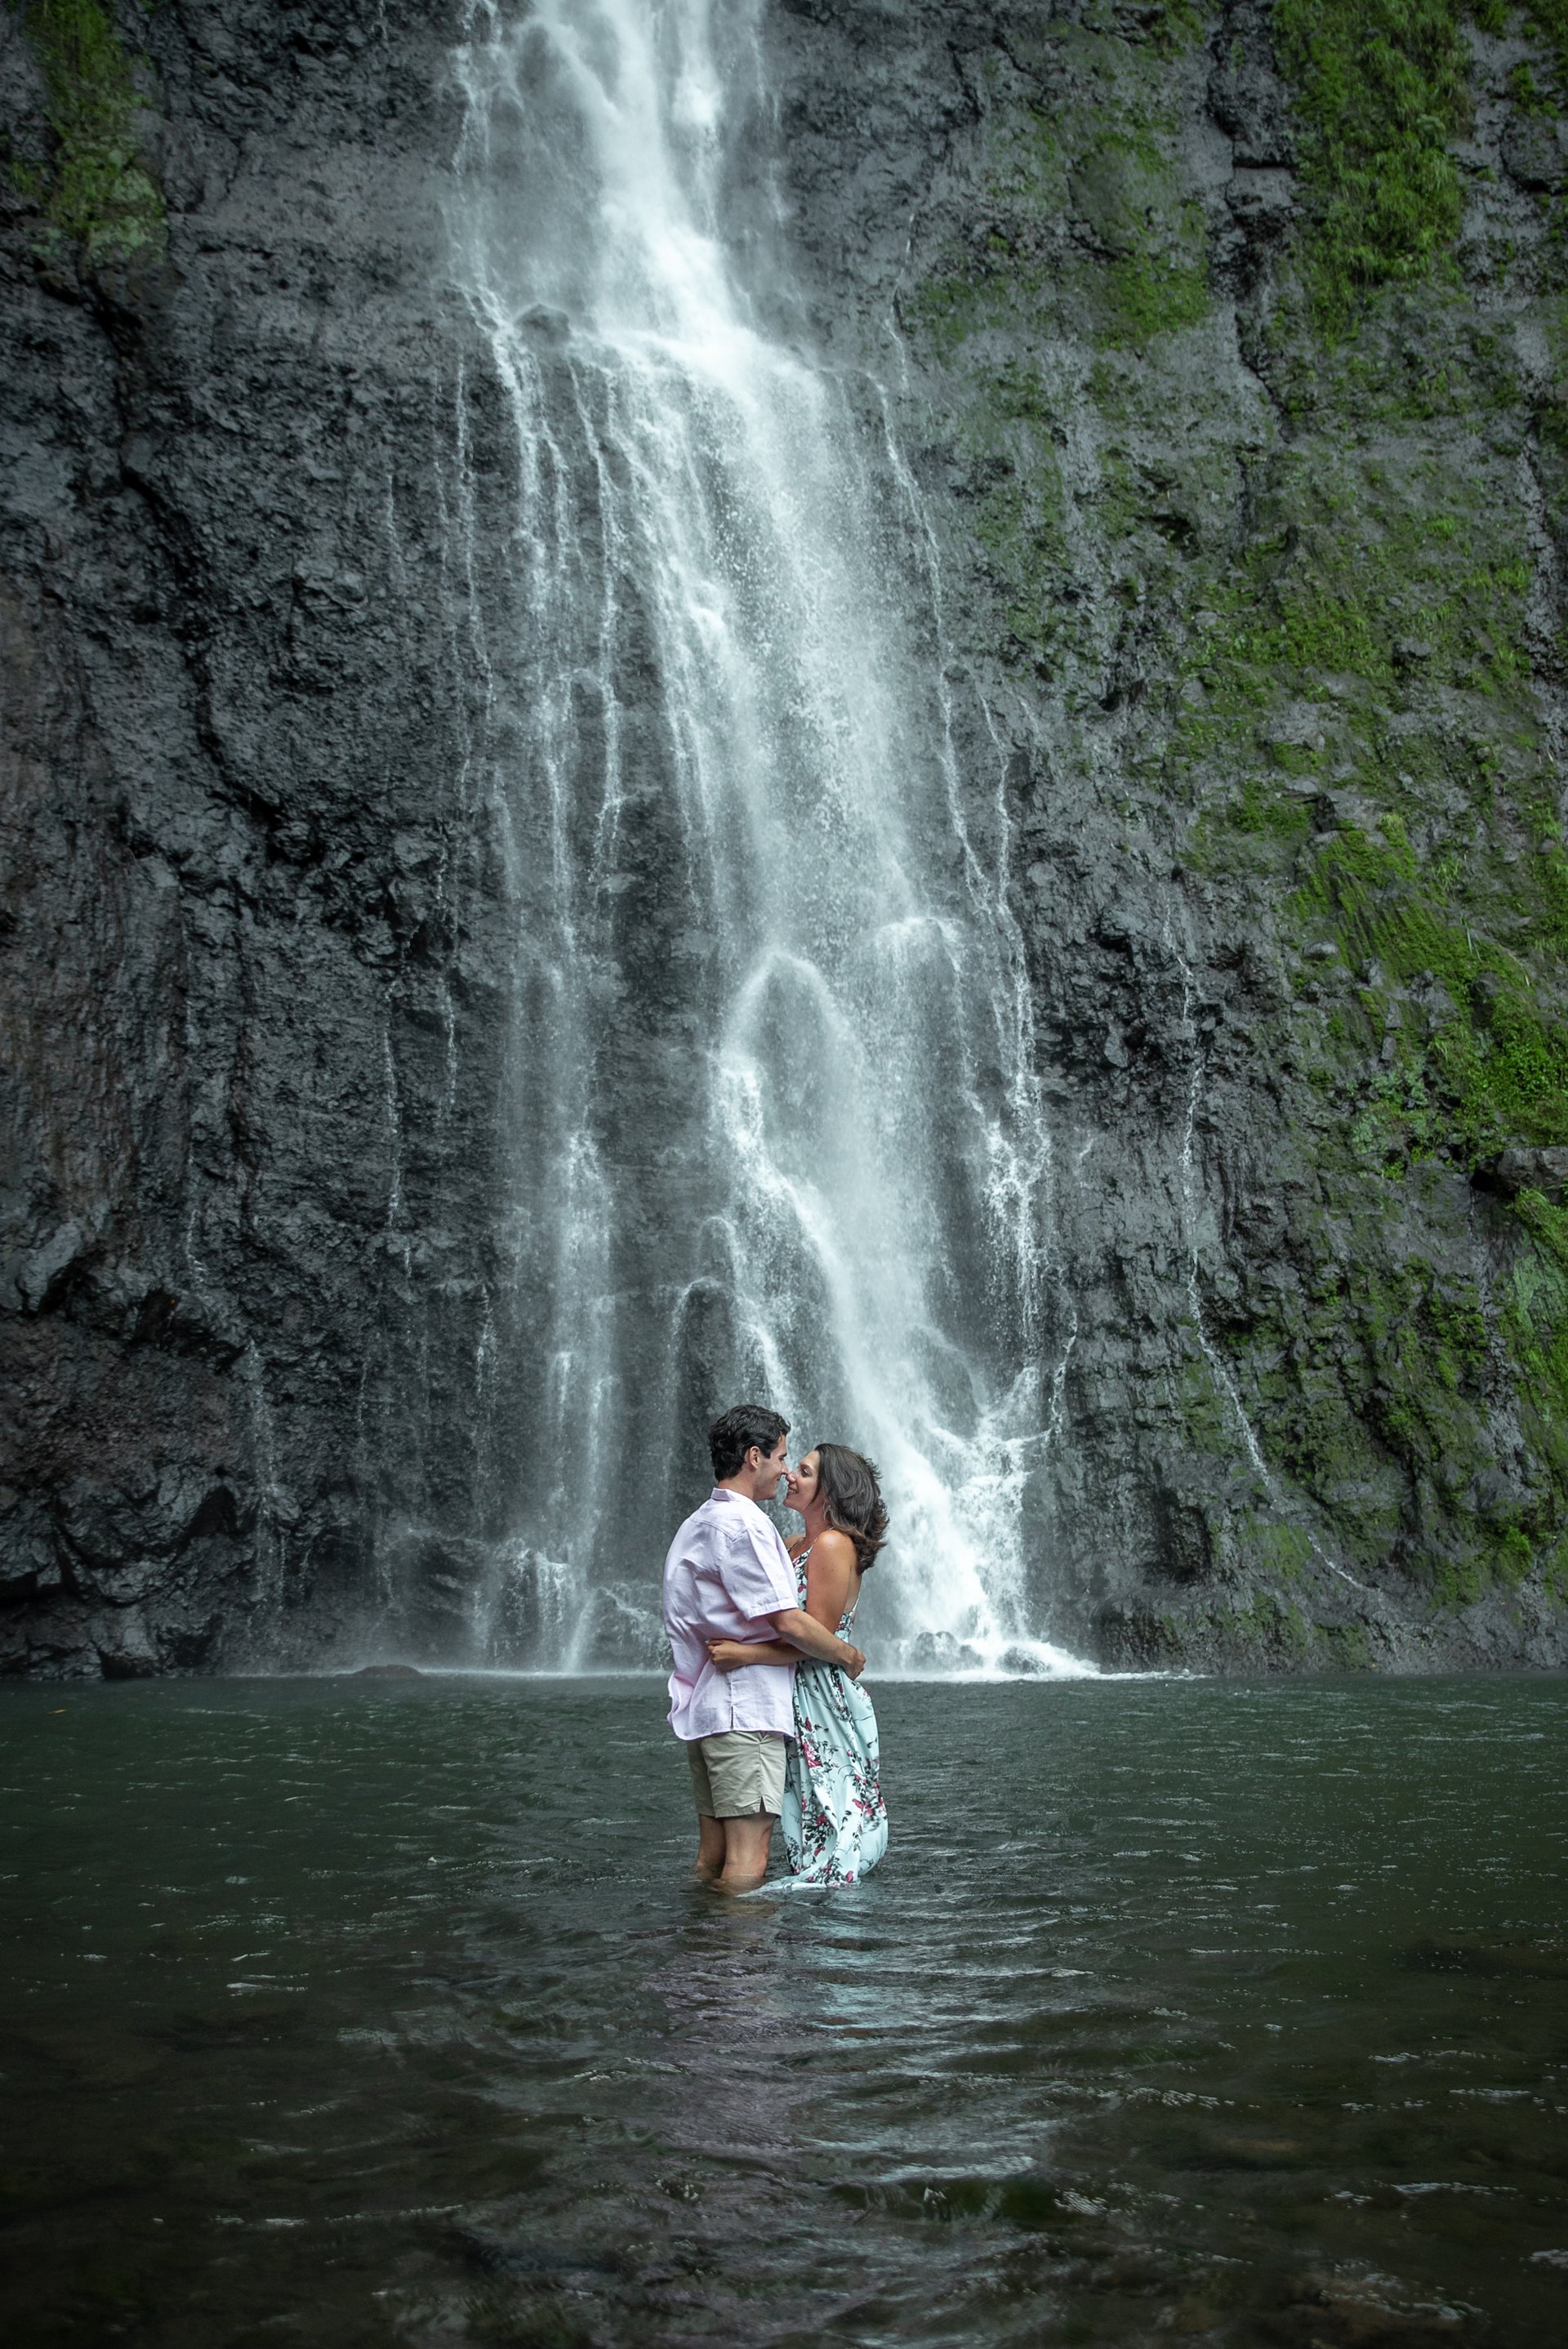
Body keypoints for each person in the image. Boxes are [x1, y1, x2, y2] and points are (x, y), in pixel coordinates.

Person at [662, 1405, 866, 1892]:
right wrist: (846, 1654)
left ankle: (702, 1950)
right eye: (780, 1458)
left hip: (712, 1706)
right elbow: (787, 1620)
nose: (785, 1470)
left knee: (713, 1856)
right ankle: (738, 1966)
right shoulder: (749, 1526)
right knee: (749, 1861)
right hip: (746, 1710)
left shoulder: (700, 1521)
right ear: (754, 1457)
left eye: (797, 1465)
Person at [709, 1442, 889, 1887]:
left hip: (820, 1694)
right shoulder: (792, 1544)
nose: (790, 1475)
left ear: (829, 1492)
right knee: (800, 1803)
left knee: (828, 1804)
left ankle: (825, 1929)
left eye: (805, 1472)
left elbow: (815, 1641)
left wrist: (743, 1653)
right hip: (789, 1689)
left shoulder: (831, 1544)